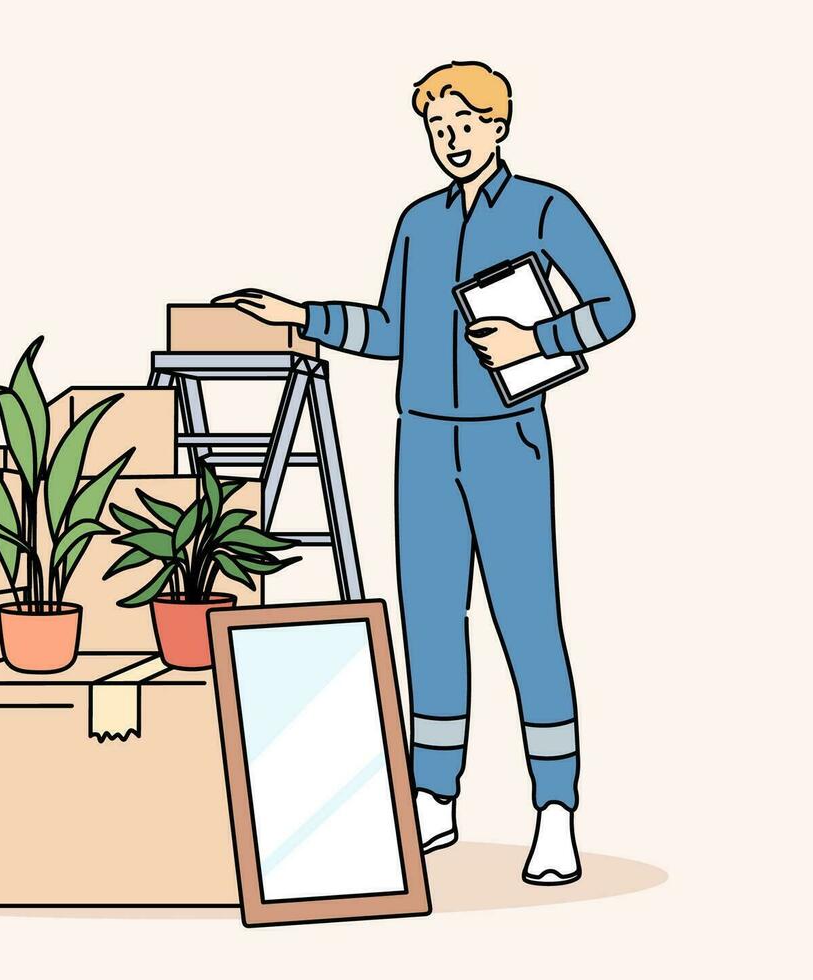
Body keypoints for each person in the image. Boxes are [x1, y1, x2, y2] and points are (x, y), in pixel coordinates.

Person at [216, 60, 634, 885]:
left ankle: (554, 810)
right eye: (436, 129)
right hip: (421, 446)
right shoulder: (417, 221)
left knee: (526, 620)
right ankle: (434, 795)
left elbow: (614, 308)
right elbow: (390, 331)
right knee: (431, 624)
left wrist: (536, 341)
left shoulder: (543, 208)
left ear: (498, 125)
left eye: (463, 124)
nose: (450, 140)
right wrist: (303, 317)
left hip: (507, 442)